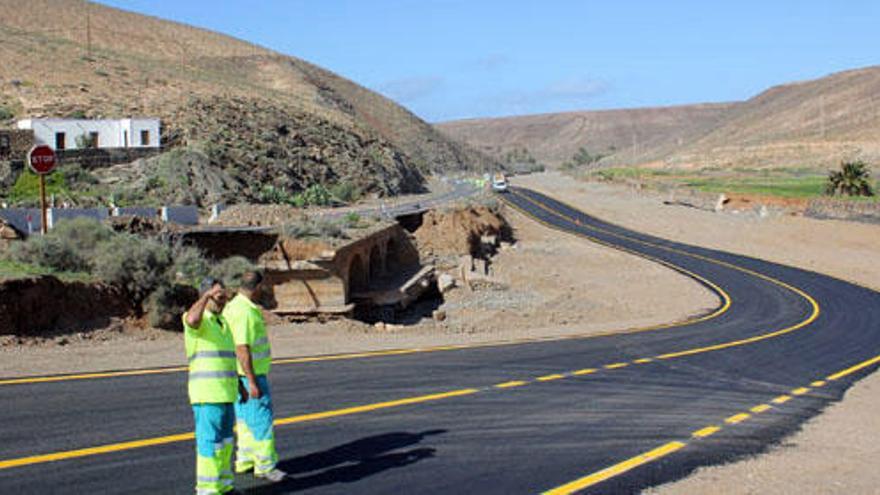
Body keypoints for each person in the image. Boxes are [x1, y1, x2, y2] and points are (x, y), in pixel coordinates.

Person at [183, 278, 246, 495]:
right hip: (207, 394)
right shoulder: (198, 320)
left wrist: (240, 385)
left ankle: (224, 484)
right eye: (218, 297)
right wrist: (206, 296)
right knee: (210, 443)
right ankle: (208, 489)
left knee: (226, 443)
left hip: (227, 393)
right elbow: (192, 319)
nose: (222, 301)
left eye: (223, 297)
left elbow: (227, 359)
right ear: (207, 295)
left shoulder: (224, 323)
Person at [223, 271, 287, 482]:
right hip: (250, 376)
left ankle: (246, 459)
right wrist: (251, 381)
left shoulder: (232, 306)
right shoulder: (245, 311)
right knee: (261, 420)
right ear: (258, 287)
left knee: (245, 421)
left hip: (237, 375)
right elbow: (243, 348)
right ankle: (265, 465)